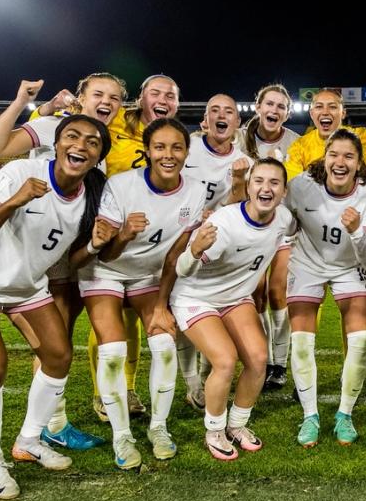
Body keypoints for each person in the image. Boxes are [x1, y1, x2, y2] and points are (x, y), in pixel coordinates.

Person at [0, 114, 111, 499]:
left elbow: (75, 257)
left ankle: (29, 441)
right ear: (57, 143)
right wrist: (15, 201)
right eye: (72, 136)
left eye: (92, 142)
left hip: (25, 285)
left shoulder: (92, 196)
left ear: (98, 155)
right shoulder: (21, 172)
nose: (80, 146)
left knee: (58, 355)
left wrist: (99, 243)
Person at [0, 74, 126, 449]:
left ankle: (48, 424)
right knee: (51, 344)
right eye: (98, 94)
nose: (107, 101)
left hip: (63, 257)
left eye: (115, 98)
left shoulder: (100, 147)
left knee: (59, 341)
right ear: (81, 98)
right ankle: (50, 425)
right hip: (28, 256)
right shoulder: (52, 127)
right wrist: (24, 104)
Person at [81, 118, 226, 470]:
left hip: (149, 275)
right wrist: (125, 235)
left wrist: (162, 305)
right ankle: (122, 435)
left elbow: (175, 254)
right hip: (105, 271)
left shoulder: (194, 190)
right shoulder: (121, 185)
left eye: (176, 147)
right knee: (113, 350)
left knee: (163, 345)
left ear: (186, 152)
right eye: (159, 147)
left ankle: (158, 428)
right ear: (147, 150)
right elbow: (106, 254)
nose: (168, 154)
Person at [160, 158, 294, 460]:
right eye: (259, 180)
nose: (266, 188)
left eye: (274, 182)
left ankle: (237, 424)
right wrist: (194, 250)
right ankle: (215, 429)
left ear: (284, 192)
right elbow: (182, 270)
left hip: (235, 297)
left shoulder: (283, 219)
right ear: (248, 186)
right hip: (196, 297)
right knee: (224, 360)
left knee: (259, 359)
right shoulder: (224, 224)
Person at [283, 130, 366, 447]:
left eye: (348, 156)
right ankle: (310, 415)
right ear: (325, 158)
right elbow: (283, 225)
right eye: (334, 155)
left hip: (349, 266)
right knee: (300, 342)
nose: (340, 162)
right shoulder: (300, 186)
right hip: (307, 263)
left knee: (360, 339)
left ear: (359, 164)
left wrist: (355, 231)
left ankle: (345, 414)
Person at [176, 94, 253, 408]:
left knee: (215, 309)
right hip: (180, 238)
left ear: (237, 123)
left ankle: (206, 379)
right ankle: (191, 382)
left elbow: (242, 209)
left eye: (229, 112)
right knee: (181, 306)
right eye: (214, 111)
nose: (222, 116)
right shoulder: (186, 149)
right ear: (204, 121)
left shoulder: (246, 163)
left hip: (221, 246)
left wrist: (236, 185)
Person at [237, 84, 301, 389]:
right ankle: (260, 360)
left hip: (284, 228)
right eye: (270, 105)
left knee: (278, 293)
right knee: (256, 294)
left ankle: (280, 363)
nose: (274, 111)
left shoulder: (296, 142)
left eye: (281, 107)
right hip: (250, 229)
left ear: (287, 113)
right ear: (258, 107)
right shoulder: (239, 138)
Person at [284, 88, 366, 180]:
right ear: (311, 114)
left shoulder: (364, 138)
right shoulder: (299, 146)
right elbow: (295, 185)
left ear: (343, 113)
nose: (325, 112)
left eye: (332, 107)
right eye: (319, 107)